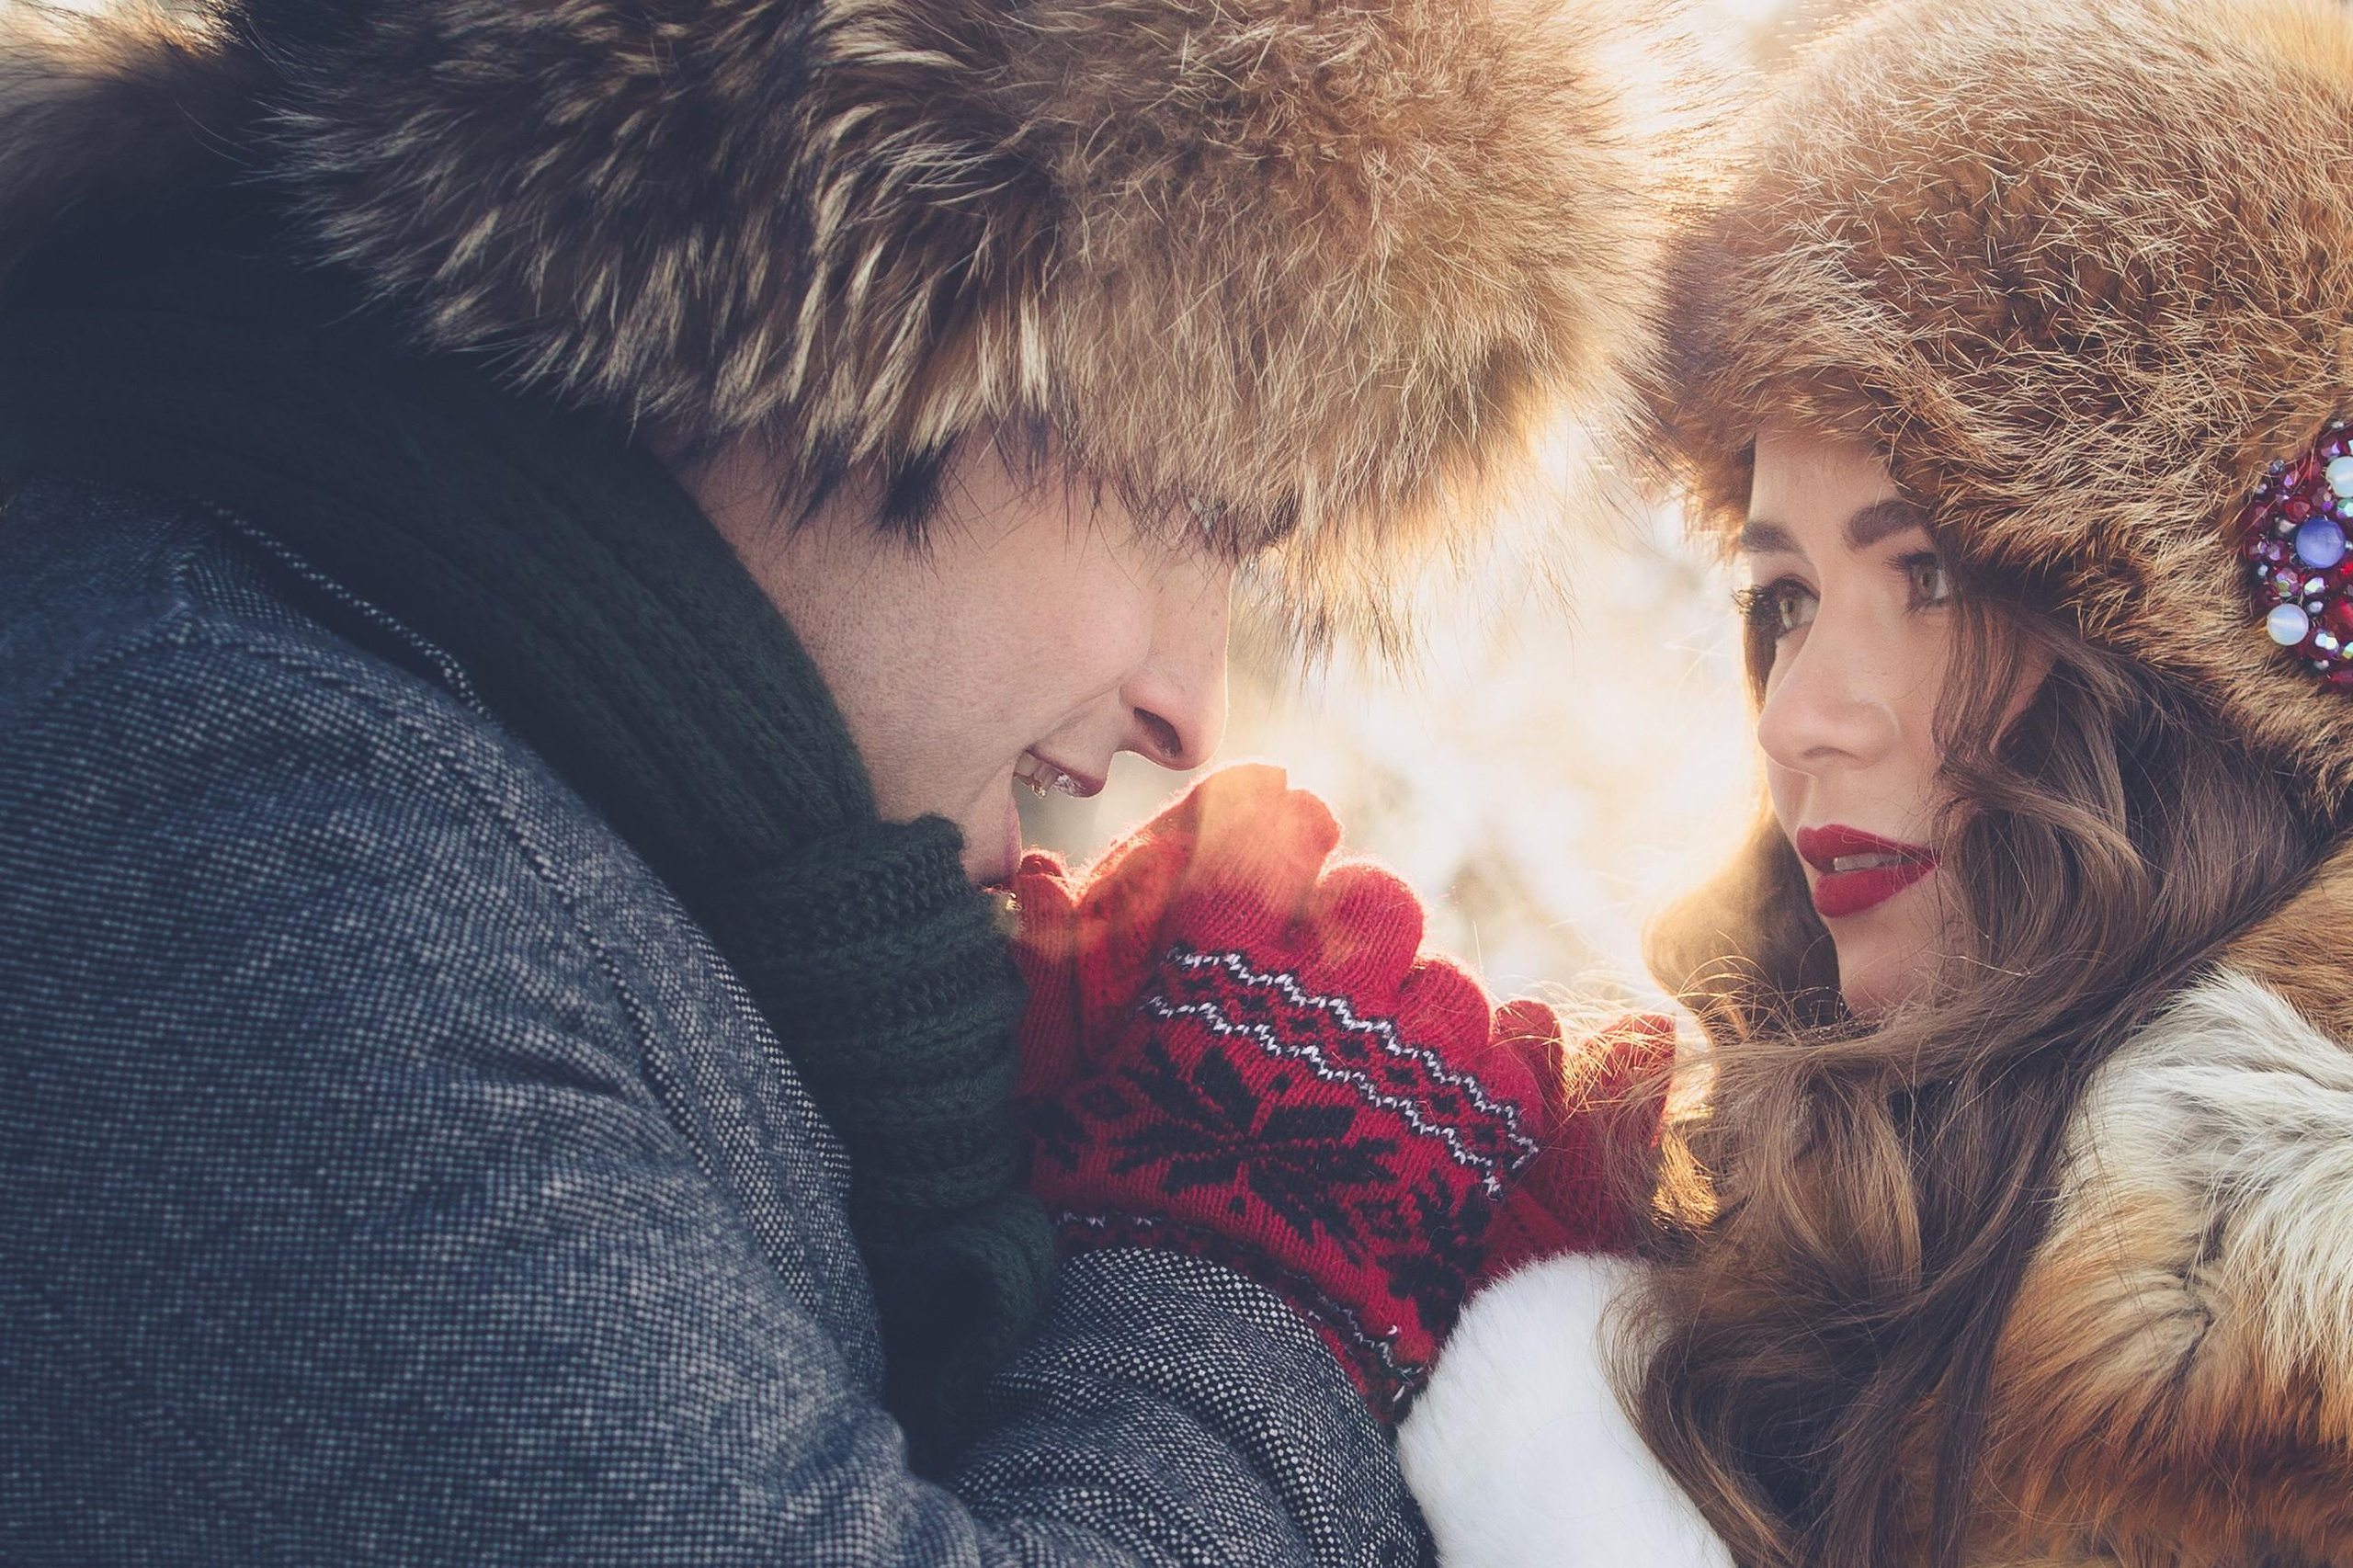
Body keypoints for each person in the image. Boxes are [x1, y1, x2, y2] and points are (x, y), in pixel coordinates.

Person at [0, 0, 1691, 1561]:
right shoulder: (247, 845)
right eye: (1198, 504)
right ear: (884, 305)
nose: (1195, 705)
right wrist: (1246, 1273)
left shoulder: (485, 780)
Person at [1398, 1, 2353, 1564]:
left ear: (2187, 676)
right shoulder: (1756, 1215)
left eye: (1931, 571)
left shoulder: (2289, 1411)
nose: (1798, 720)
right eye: (1781, 599)